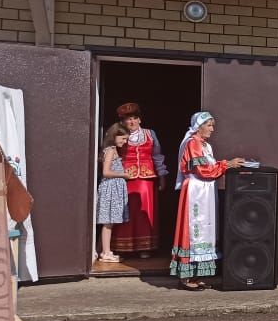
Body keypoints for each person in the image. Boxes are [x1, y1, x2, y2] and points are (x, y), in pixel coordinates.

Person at [170, 112, 246, 290]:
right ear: (199, 126)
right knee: (194, 229)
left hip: (204, 191)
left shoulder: (205, 145)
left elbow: (209, 167)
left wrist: (224, 165)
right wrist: (227, 164)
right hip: (196, 191)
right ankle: (186, 277)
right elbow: (203, 169)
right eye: (209, 125)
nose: (212, 129)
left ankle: (196, 275)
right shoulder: (192, 143)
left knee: (205, 229)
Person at [114, 102, 169, 259]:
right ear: (122, 122)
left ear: (140, 120)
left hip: (147, 179)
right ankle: (122, 247)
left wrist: (162, 177)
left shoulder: (150, 134)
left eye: (134, 118)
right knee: (126, 212)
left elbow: (157, 156)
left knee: (145, 212)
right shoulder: (119, 135)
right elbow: (113, 158)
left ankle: (145, 247)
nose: (132, 122)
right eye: (128, 119)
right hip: (126, 179)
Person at [95, 123, 131, 263]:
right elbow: (106, 172)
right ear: (114, 137)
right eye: (123, 138)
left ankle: (101, 250)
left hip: (114, 188)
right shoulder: (110, 150)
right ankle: (106, 252)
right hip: (110, 188)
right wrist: (123, 175)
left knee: (110, 221)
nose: (124, 142)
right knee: (108, 222)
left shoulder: (113, 149)